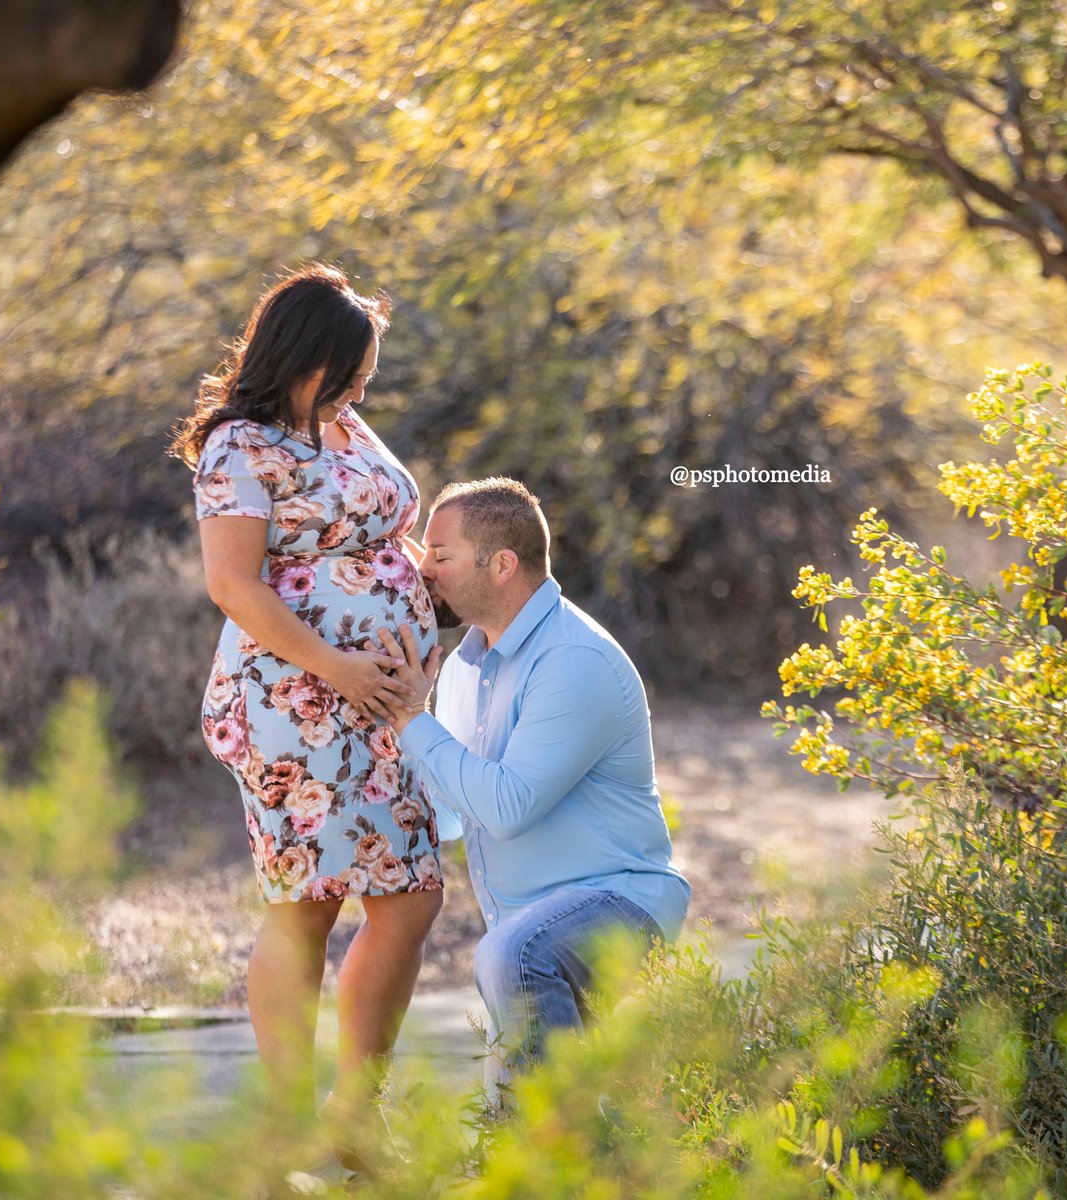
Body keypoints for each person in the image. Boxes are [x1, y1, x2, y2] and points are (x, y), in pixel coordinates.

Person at [169, 264, 445, 1144]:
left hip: (384, 704)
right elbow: (233, 585)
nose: (362, 390)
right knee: (309, 904)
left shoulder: (343, 424)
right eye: (350, 372)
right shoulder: (239, 449)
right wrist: (339, 665)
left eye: (366, 376)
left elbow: (386, 536)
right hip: (296, 704)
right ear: (301, 357)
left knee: (412, 894)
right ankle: (289, 1126)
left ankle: (356, 1113)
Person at [374, 477, 691, 1107]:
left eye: (440, 555)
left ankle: (560, 1159)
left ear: (501, 566)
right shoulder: (467, 665)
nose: (423, 570)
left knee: (515, 966)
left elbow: (506, 807)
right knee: (514, 1120)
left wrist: (413, 718)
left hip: (617, 902)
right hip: (521, 934)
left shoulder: (575, 660)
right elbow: (460, 808)